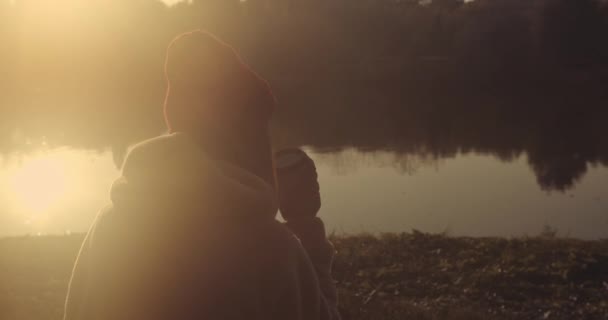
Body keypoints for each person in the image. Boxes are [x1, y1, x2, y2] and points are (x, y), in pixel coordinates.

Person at [63, 30, 339, 320]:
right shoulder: (270, 248)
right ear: (251, 143)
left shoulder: (109, 227)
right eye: (260, 132)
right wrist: (304, 224)